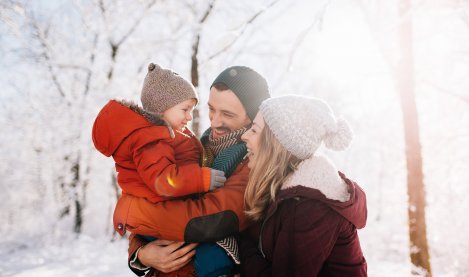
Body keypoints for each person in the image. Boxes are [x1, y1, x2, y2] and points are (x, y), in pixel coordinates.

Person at [112, 66, 271, 276]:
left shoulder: (253, 163)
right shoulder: (193, 145)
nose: (214, 121)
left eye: (227, 114)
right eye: (211, 109)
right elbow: (154, 196)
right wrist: (141, 254)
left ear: (252, 117)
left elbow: (210, 219)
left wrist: (135, 212)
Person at [92, 63, 230, 276]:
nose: (189, 117)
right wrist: (202, 179)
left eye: (192, 111)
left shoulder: (166, 136)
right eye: (185, 110)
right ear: (161, 108)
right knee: (212, 257)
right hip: (161, 217)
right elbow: (163, 180)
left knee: (209, 257)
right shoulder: (152, 140)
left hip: (162, 216)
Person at [239, 95, 367, 276]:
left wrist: (237, 241)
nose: (244, 136)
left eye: (254, 130)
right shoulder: (284, 190)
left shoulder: (308, 207)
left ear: (275, 144)